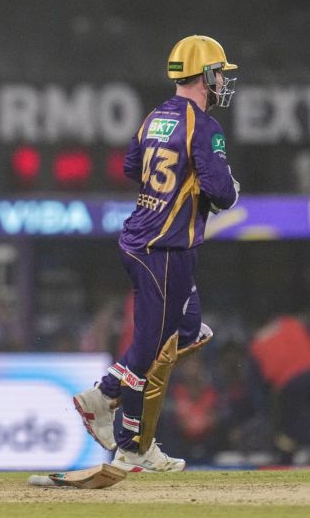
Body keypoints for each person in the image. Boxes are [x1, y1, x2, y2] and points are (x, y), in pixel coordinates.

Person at [72, 35, 241, 472]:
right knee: (149, 350)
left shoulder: (155, 117)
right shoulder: (204, 126)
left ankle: (115, 408)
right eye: (219, 73)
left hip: (142, 239)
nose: (223, 82)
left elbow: (132, 166)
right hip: (165, 248)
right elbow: (222, 193)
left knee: (189, 329)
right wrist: (217, 185)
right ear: (205, 75)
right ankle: (123, 429)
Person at [249, 314, 310, 463]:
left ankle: (285, 459)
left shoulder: (256, 343)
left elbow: (261, 384)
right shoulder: (290, 323)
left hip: (288, 385)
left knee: (289, 426)